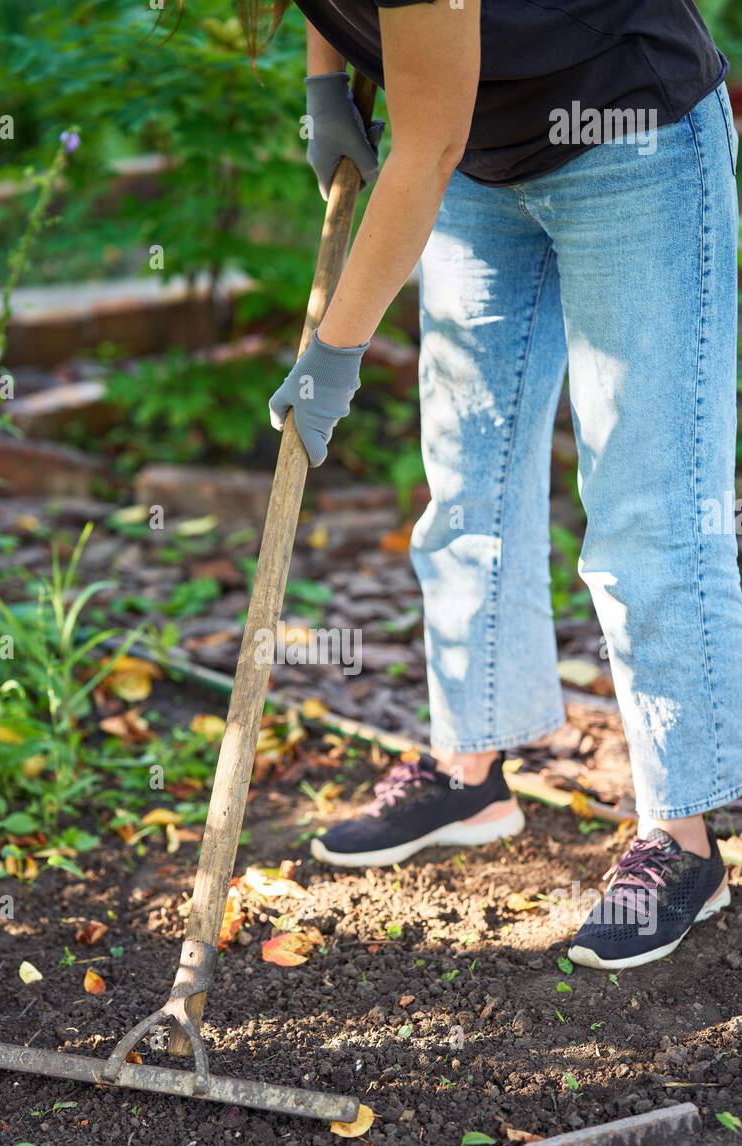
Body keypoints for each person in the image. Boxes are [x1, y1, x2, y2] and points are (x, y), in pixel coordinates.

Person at [263, 1, 742, 970]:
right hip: (482, 155)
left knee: (649, 506)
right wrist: (327, 81)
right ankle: (469, 766)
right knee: (465, 476)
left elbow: (425, 144)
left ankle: (686, 835)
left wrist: (334, 351)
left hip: (628, 132)